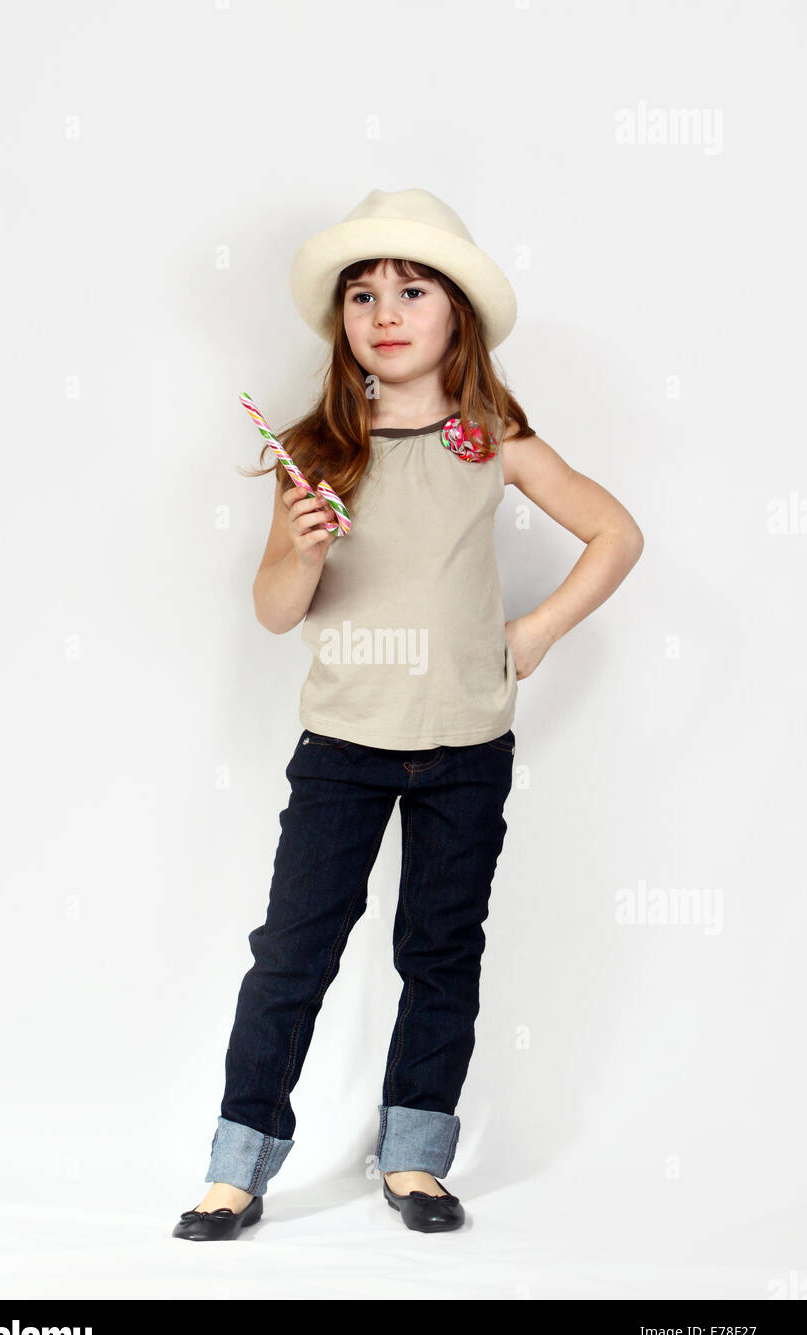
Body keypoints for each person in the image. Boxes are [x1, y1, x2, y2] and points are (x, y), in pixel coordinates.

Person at [172, 188, 644, 1241]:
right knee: (292, 952)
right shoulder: (315, 449)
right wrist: (298, 547)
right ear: (339, 320)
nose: (383, 310)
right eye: (360, 293)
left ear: (455, 314)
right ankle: (237, 1162)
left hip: (466, 748)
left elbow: (613, 532)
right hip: (342, 748)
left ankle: (416, 1158)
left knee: (440, 952)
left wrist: (534, 633)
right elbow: (274, 612)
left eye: (410, 288)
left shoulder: (490, 437)